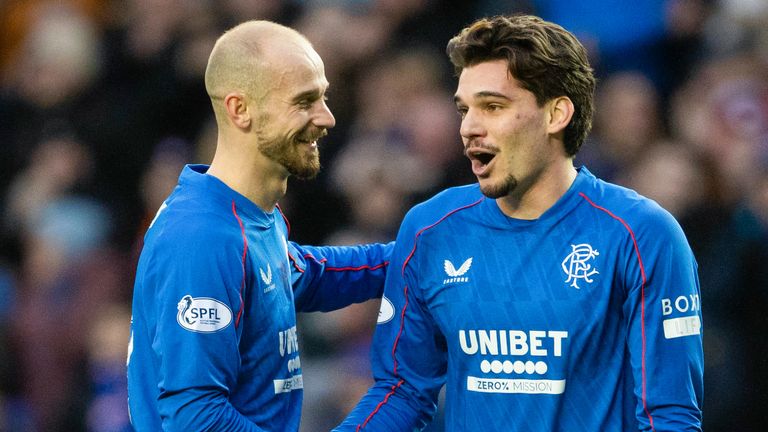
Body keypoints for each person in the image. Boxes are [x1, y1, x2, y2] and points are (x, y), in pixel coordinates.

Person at [335, 14, 703, 431]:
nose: (469, 127)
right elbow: (403, 390)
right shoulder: (430, 229)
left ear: (556, 114)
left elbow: (668, 417)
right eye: (464, 109)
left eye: (493, 106)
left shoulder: (642, 235)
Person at [126, 21, 392, 431]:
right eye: (304, 102)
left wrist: (422, 250)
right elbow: (196, 419)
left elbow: (298, 273)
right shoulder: (202, 236)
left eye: (323, 97)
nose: (327, 118)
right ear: (240, 109)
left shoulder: (246, 216)